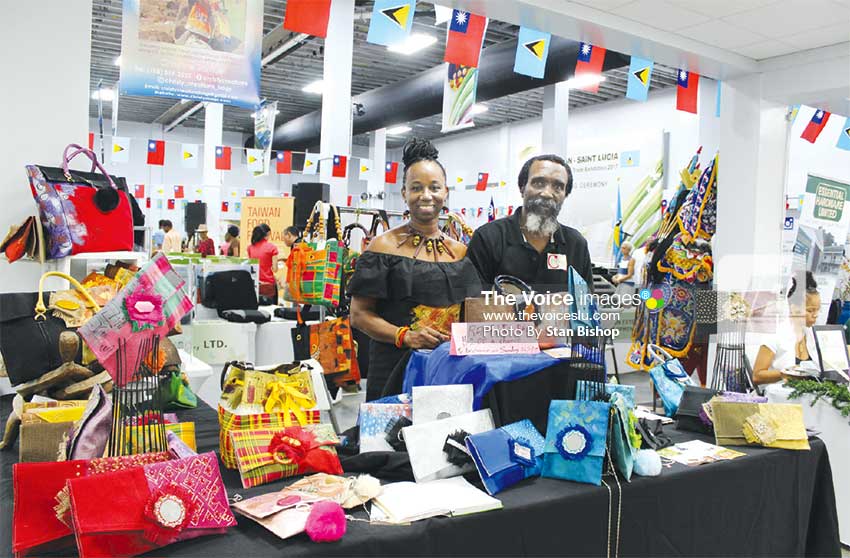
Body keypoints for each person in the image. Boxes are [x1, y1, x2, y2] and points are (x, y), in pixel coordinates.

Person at [348, 138, 482, 401]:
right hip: (394, 369)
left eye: (434, 187)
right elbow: (359, 315)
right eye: (416, 188)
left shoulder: (462, 252)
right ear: (404, 193)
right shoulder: (382, 247)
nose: (426, 196)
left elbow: (471, 314)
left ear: (446, 193)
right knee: (390, 440)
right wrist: (406, 336)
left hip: (449, 371)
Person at [466, 154, 593, 292]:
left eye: (558, 187)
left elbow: (586, 305)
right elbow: (472, 304)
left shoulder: (576, 244)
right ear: (522, 188)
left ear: (565, 195)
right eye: (539, 183)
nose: (547, 193)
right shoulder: (487, 238)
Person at [752, 272, 821, 385]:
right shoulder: (775, 335)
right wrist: (786, 374)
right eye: (810, 310)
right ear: (793, 308)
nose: (816, 315)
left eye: (818, 310)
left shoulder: (812, 335)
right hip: (777, 397)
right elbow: (757, 376)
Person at [247, 223, 280, 298]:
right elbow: (275, 269)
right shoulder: (272, 248)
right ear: (267, 233)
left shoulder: (250, 248)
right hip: (268, 285)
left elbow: (251, 266)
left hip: (254, 284)